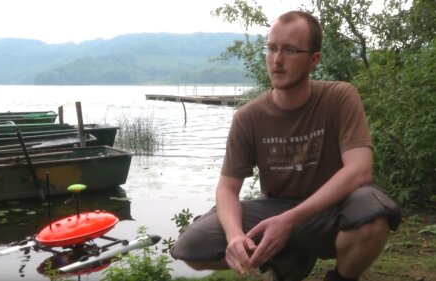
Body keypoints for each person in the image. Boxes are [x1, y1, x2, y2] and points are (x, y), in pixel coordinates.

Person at [171, 10, 401, 281]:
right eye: (271, 48)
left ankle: (340, 277)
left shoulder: (340, 96)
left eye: (290, 50)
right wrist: (235, 237)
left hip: (331, 209)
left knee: (373, 211)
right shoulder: (248, 117)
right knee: (191, 247)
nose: (277, 60)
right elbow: (227, 188)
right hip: (275, 207)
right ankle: (287, 257)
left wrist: (290, 220)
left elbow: (359, 171)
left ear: (313, 59)